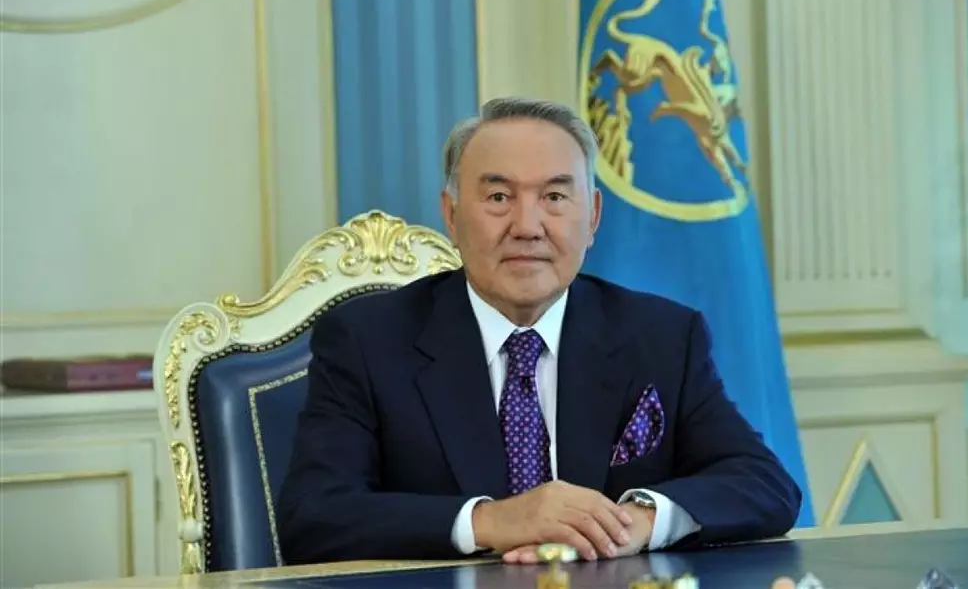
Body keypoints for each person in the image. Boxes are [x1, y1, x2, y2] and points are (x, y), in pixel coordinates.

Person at [276, 97, 802, 565]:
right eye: (498, 198)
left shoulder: (662, 337)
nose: (528, 227)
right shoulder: (367, 340)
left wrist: (635, 521)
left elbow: (765, 484)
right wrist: (493, 521)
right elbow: (313, 516)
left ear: (592, 217)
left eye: (554, 197)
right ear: (451, 215)